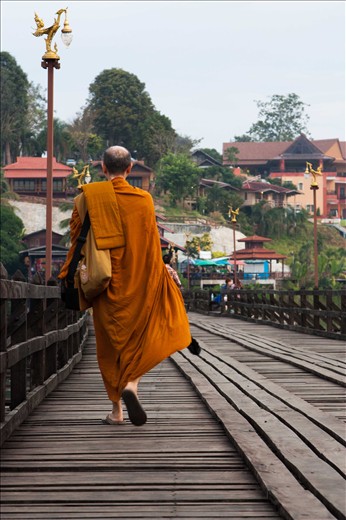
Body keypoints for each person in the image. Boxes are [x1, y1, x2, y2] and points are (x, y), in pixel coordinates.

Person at [59, 146, 192, 426]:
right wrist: (163, 272)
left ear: (103, 169)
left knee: (110, 346)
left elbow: (76, 241)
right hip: (139, 282)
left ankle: (117, 411)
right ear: (130, 169)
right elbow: (150, 246)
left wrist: (67, 275)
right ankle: (132, 383)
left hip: (104, 283)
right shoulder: (143, 199)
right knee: (139, 339)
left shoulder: (88, 198)